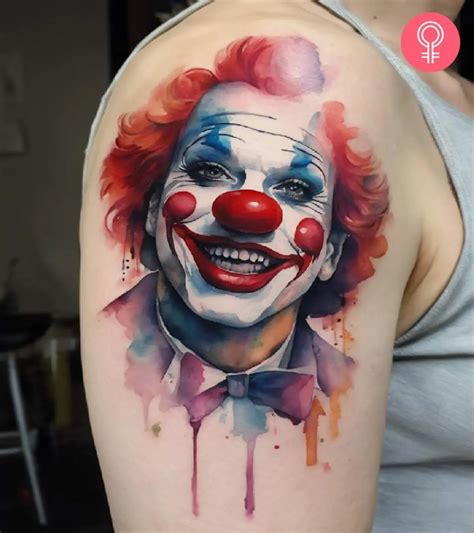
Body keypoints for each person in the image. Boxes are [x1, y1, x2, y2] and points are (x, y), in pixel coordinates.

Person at [80, 1, 472, 531]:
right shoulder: (312, 56)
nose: (248, 211)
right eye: (210, 170)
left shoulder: (436, 78)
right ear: (153, 207)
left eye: (294, 187)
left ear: (333, 249)